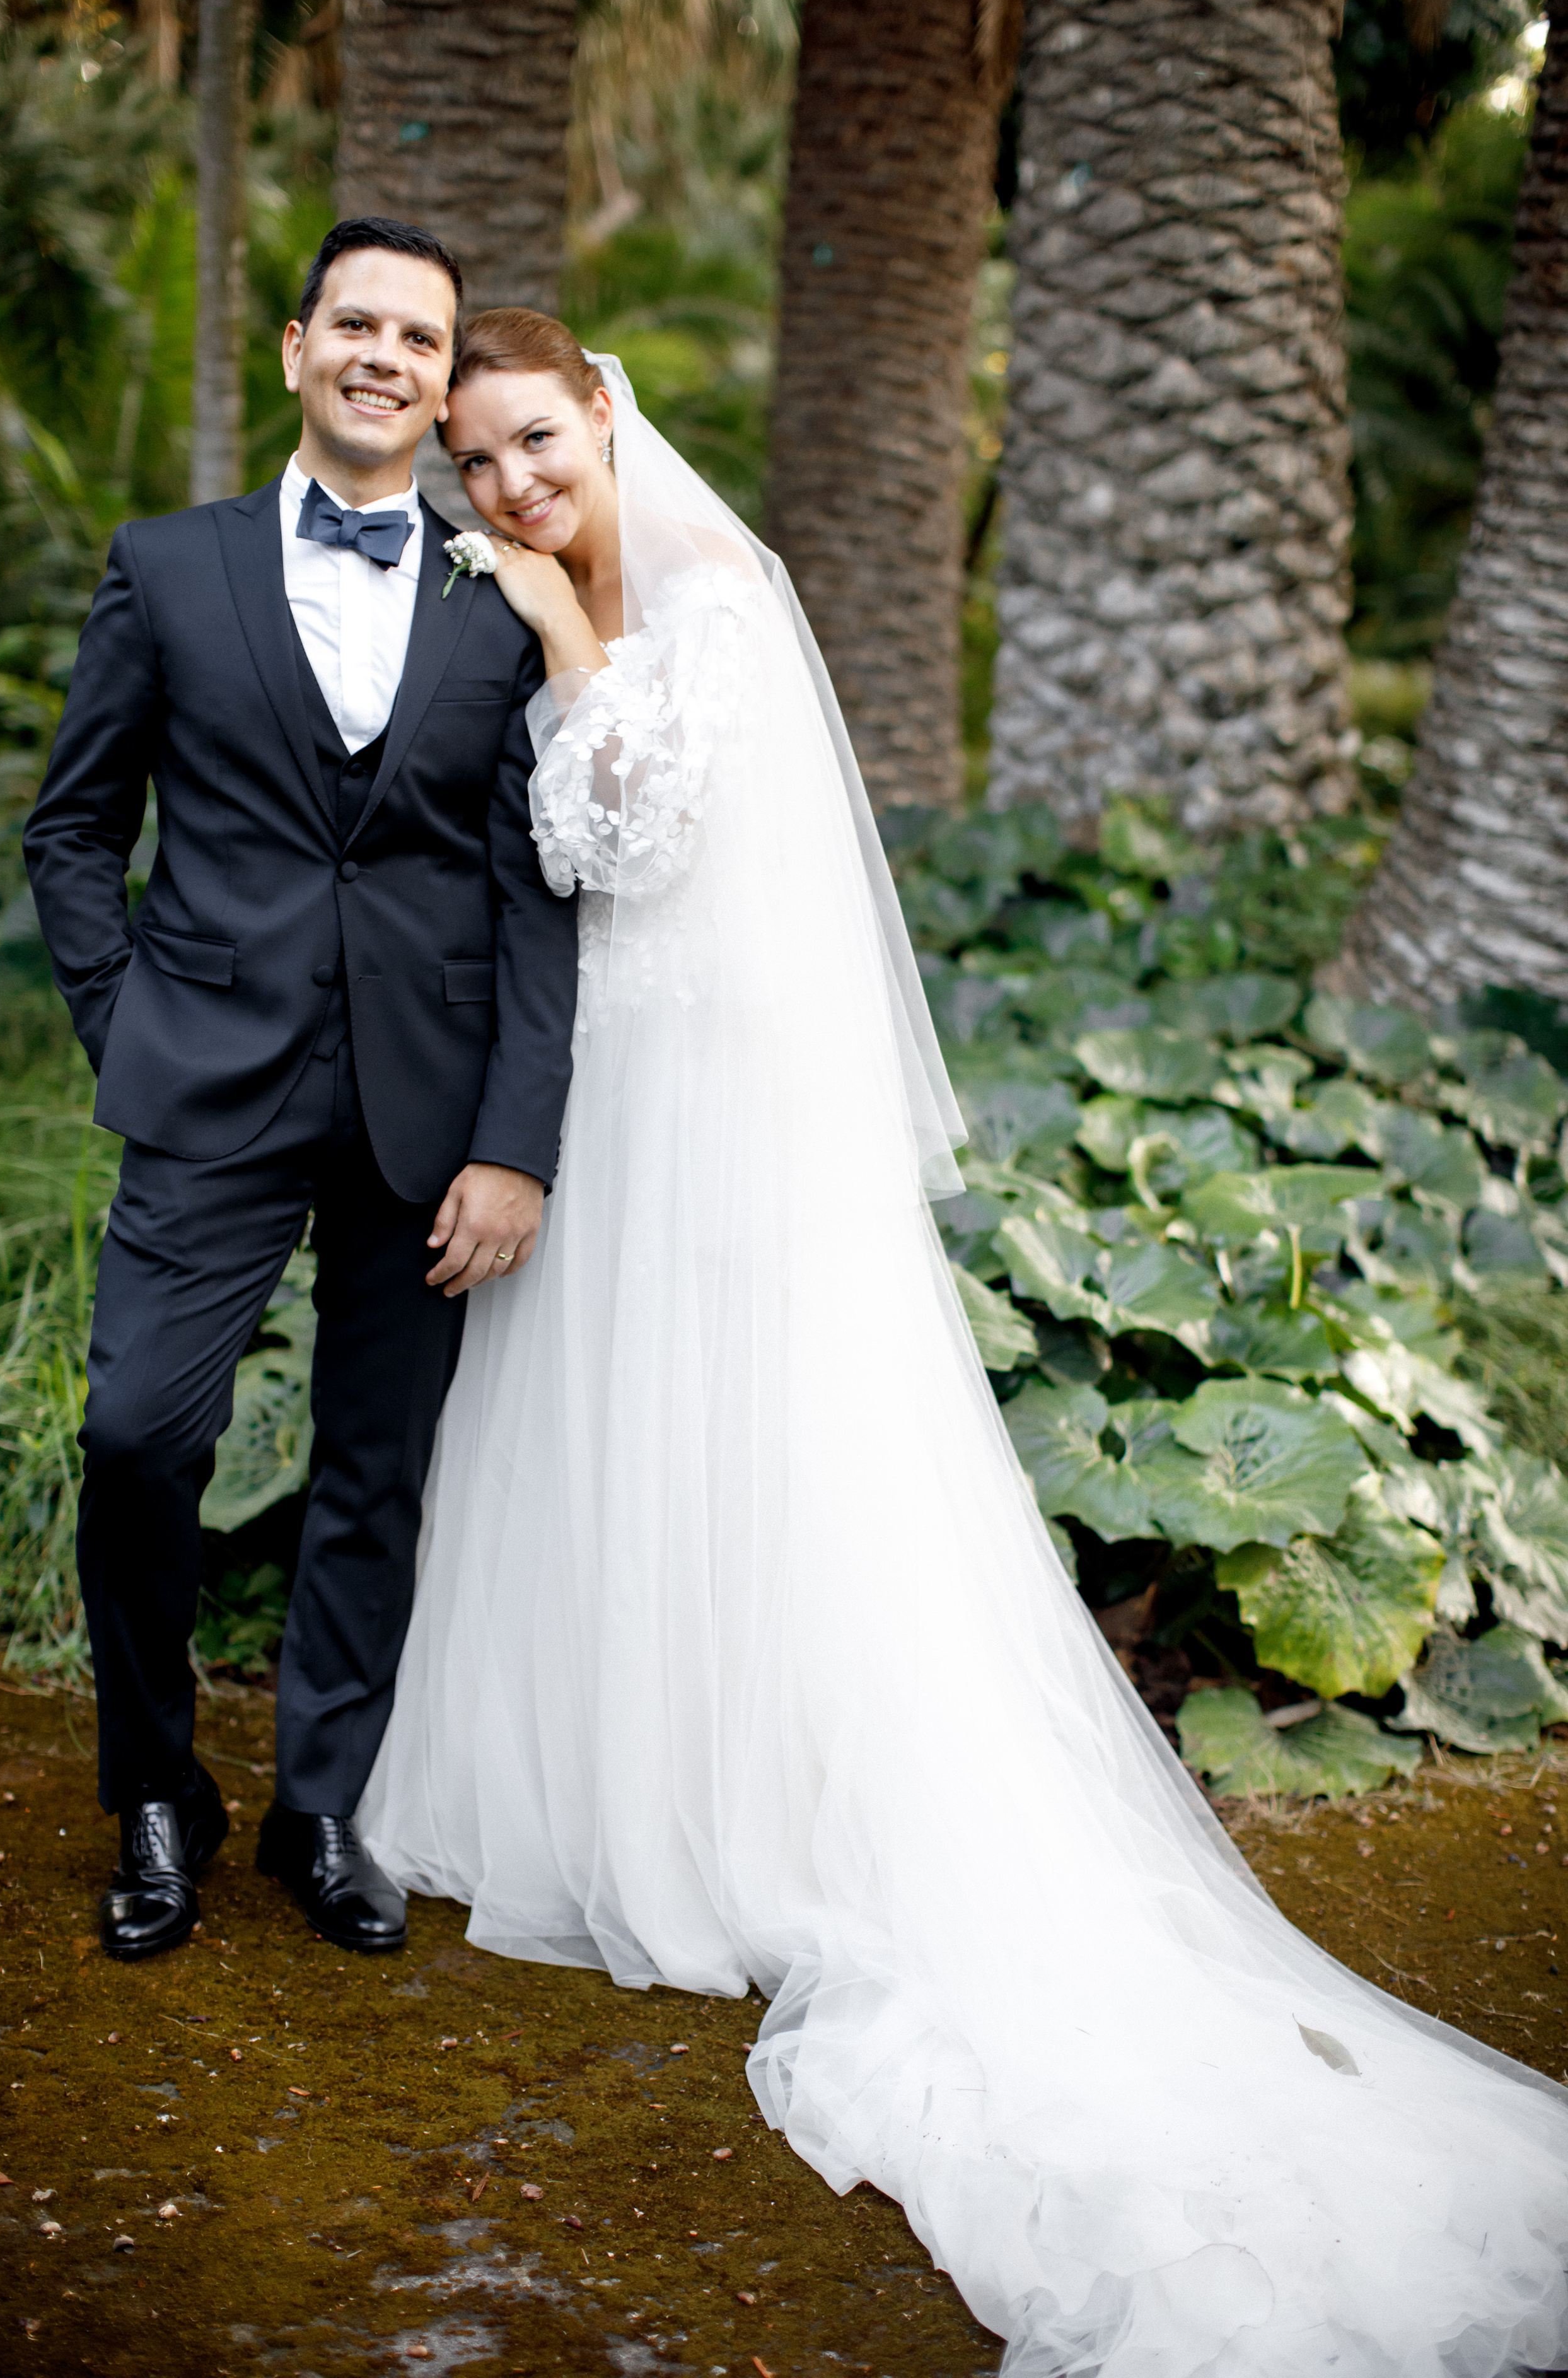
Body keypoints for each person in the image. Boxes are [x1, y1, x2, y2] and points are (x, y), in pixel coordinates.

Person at [359, 305, 1568, 2376]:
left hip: (728, 1116)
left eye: (534, 441)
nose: (510, 488)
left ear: (607, 415)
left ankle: (772, 1821)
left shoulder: (718, 594)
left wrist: (565, 631)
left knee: (750, 1446)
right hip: (612, 1106)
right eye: (480, 463)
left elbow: (631, 835)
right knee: (610, 1445)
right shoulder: (577, 582)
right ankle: (630, 1783)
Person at [23, 224, 578, 1963]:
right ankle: (156, 1799)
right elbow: (73, 827)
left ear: (438, 375)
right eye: (360, 323)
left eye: (421, 336)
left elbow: (538, 886)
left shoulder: (505, 588)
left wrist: (515, 1142)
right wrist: (127, 1025)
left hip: (430, 1109)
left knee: (375, 1469)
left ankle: (324, 1804)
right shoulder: (168, 569)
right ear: (295, 349)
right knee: (139, 1438)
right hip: (206, 1084)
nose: (388, 356)